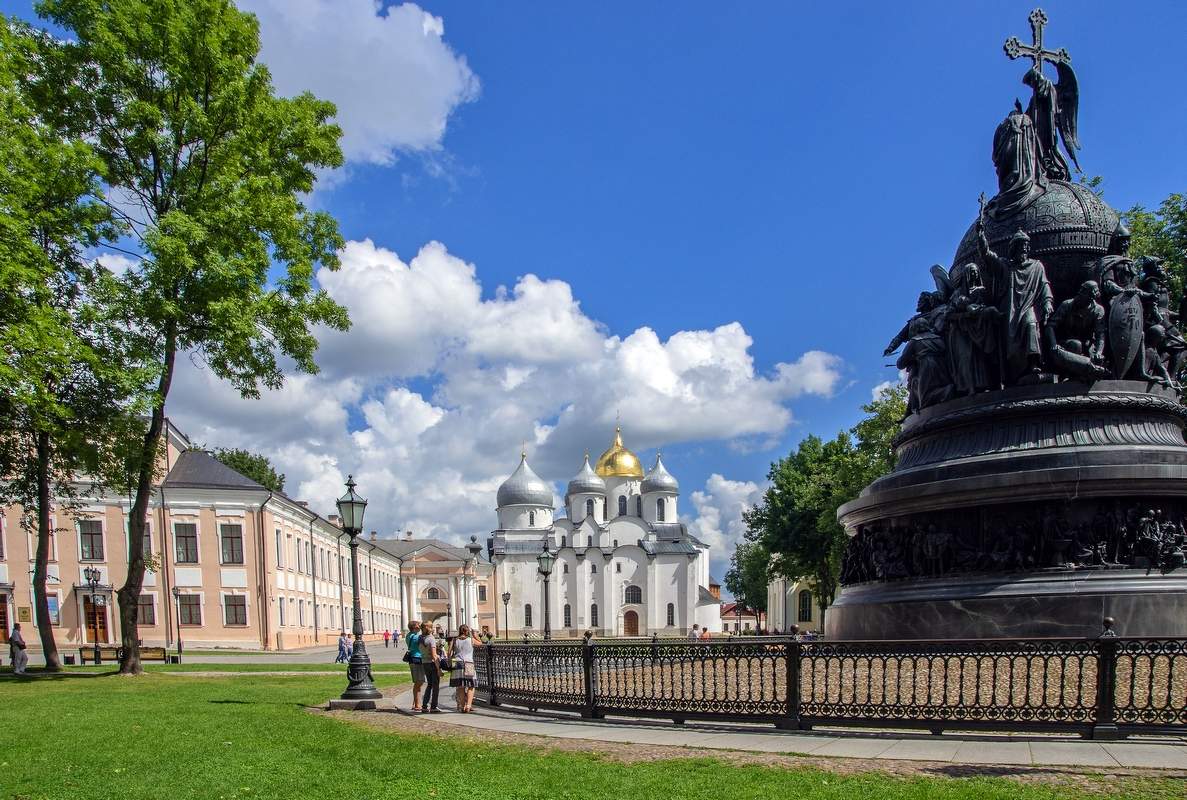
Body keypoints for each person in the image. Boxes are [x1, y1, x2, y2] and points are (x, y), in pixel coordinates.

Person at [448, 624, 482, 712]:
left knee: (460, 686)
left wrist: (449, 661)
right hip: (469, 663)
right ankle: (468, 705)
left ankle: (462, 705)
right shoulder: (471, 640)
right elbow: (480, 643)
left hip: (458, 663)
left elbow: (449, 653)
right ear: (467, 631)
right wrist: (475, 635)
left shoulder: (454, 640)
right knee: (471, 685)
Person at [418, 622, 441, 713]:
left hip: (424, 663)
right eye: (432, 627)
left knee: (429, 684)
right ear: (430, 628)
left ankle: (424, 705)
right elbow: (434, 655)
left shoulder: (420, 638)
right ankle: (434, 706)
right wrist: (438, 668)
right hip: (432, 663)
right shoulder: (431, 639)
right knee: (435, 686)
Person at [404, 620, 425, 711]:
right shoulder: (416, 637)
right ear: (415, 627)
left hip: (412, 659)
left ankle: (415, 703)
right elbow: (425, 644)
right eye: (419, 626)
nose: (420, 627)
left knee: (418, 682)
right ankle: (417, 705)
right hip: (417, 659)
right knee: (419, 682)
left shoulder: (409, 635)